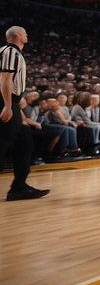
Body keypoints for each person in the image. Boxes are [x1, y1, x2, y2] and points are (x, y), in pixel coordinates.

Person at [1, 26, 48, 200]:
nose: (27, 35)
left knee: (25, 139)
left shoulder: (4, 51)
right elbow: (5, 79)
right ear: (19, 36)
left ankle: (19, 186)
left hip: (10, 102)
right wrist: (7, 105)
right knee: (4, 143)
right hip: (5, 103)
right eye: (25, 33)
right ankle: (18, 188)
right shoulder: (11, 53)